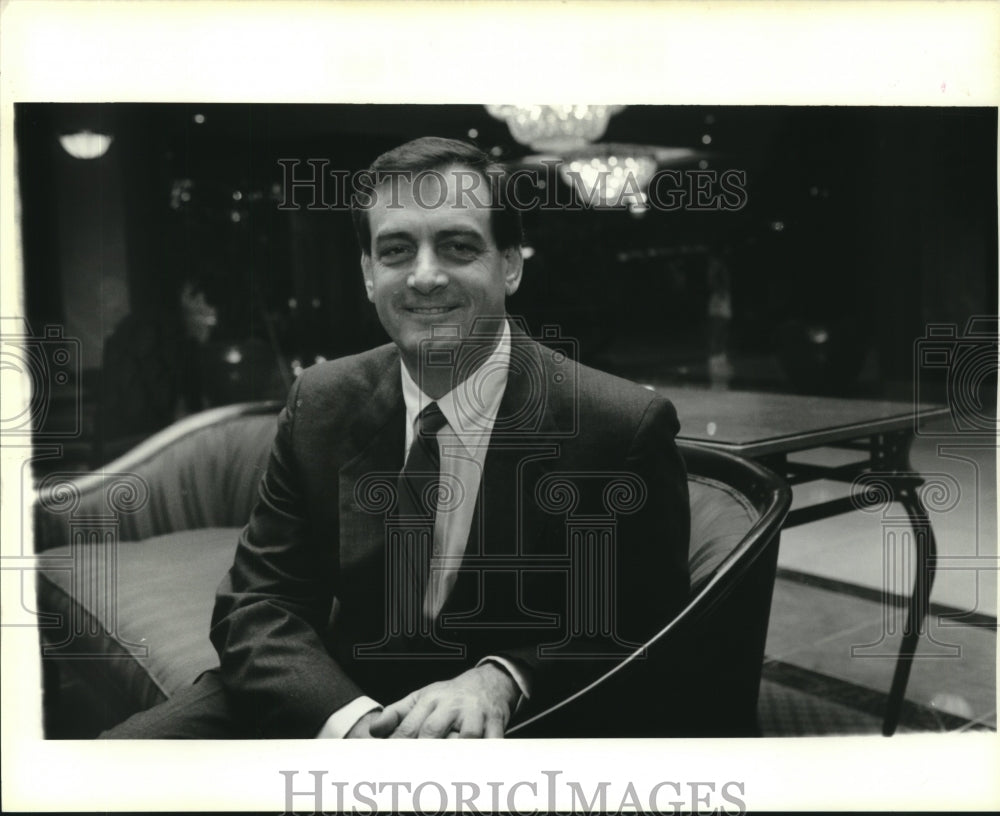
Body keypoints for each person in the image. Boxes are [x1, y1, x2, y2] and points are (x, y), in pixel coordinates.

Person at [103, 137, 690, 739]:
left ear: (510, 265)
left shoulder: (618, 427)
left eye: (459, 246)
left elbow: (645, 631)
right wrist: (353, 727)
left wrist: (505, 675)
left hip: (520, 728)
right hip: (335, 699)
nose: (426, 276)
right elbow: (260, 604)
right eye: (397, 249)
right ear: (367, 273)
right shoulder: (321, 400)